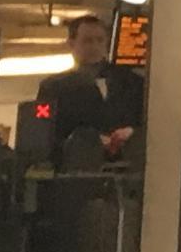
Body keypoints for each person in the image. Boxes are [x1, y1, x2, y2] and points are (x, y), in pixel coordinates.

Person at [36, 15, 146, 162]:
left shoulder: (133, 83)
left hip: (128, 169)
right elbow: (43, 134)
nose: (95, 46)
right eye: (87, 41)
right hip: (77, 171)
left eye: (100, 40)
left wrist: (132, 133)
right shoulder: (53, 88)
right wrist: (84, 142)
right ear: (71, 44)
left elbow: (150, 124)